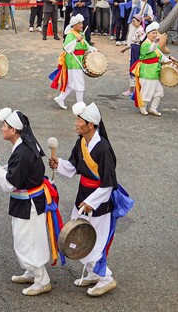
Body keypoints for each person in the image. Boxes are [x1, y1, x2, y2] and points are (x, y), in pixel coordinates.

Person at [49, 102, 131, 297]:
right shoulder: (82, 142)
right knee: (80, 235)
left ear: (91, 124)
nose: (76, 123)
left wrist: (91, 202)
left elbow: (109, 183)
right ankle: (95, 273)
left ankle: (106, 278)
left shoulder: (103, 148)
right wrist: (59, 163)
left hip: (99, 202)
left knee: (92, 239)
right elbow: (74, 166)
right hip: (84, 196)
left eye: (80, 120)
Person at [0, 108, 61, 297]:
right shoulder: (24, 145)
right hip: (29, 201)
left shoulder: (22, 151)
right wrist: (1, 166)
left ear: (14, 130)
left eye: (4, 126)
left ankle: (42, 280)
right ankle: (32, 272)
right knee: (28, 238)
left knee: (27, 241)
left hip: (28, 203)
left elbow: (8, 184)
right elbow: (19, 171)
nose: (2, 129)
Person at [51, 14, 94, 110]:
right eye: (79, 24)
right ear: (74, 25)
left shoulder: (80, 34)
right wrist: (76, 41)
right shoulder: (70, 35)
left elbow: (86, 46)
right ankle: (80, 104)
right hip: (73, 60)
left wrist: (93, 50)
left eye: (82, 23)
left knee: (70, 83)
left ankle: (60, 98)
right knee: (79, 83)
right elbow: (66, 47)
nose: (81, 25)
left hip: (78, 60)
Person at [131, 22, 168, 117]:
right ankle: (143, 107)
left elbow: (159, 56)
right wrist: (155, 42)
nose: (155, 35)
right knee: (146, 91)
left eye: (156, 33)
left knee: (159, 92)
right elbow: (151, 50)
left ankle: (153, 108)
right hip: (147, 72)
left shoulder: (155, 45)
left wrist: (167, 60)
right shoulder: (145, 44)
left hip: (155, 72)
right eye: (153, 33)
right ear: (147, 34)